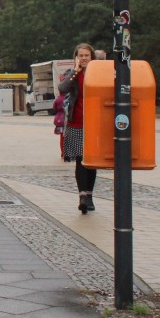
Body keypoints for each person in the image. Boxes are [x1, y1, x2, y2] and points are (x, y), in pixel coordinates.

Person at [58, 42, 96, 214]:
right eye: (81, 55)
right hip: (77, 122)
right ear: (76, 57)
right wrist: (75, 71)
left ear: (92, 57)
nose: (84, 58)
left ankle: (89, 195)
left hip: (95, 123)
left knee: (92, 161)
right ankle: (82, 196)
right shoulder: (73, 73)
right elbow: (62, 88)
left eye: (87, 55)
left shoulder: (97, 73)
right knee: (80, 160)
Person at [51, 93, 67, 160]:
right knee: (67, 137)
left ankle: (62, 153)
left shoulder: (57, 99)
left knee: (62, 137)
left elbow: (54, 108)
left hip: (59, 120)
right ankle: (67, 153)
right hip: (66, 119)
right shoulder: (67, 98)